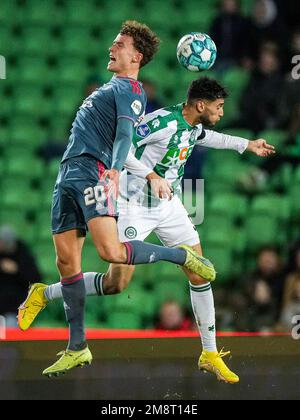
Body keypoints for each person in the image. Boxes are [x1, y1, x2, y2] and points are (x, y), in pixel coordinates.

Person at [18, 77, 275, 383]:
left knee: (200, 271)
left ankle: (209, 354)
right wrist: (151, 174)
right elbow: (121, 147)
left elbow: (208, 137)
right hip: (133, 206)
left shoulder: (193, 124)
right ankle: (45, 293)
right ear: (201, 105)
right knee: (116, 285)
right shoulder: (161, 121)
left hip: (168, 206)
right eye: (218, 107)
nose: (221, 113)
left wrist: (247, 144)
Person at [18, 21, 215, 378]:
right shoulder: (109, 87)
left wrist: (112, 169)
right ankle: (77, 347)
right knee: (66, 264)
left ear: (136, 56)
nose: (112, 47)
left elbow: (125, 133)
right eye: (113, 42)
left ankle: (179, 255)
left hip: (94, 172)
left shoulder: (132, 90)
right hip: (67, 173)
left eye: (119, 44)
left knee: (112, 252)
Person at [0, 225, 42, 326]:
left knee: (9, 326)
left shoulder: (23, 255)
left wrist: (16, 270)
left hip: (14, 309)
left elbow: (36, 280)